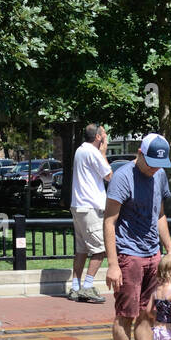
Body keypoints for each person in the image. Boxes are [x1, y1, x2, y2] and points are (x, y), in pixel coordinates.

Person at [104, 132, 171, 340]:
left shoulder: (159, 175)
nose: (156, 168)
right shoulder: (123, 177)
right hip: (128, 255)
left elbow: (160, 215)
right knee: (126, 316)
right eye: (151, 162)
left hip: (152, 254)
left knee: (148, 314)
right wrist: (113, 264)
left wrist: (169, 250)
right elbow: (109, 221)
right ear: (139, 153)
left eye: (160, 163)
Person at [69, 123, 112, 302]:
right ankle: (87, 286)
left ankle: (75, 287)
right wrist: (103, 152)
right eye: (104, 134)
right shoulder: (93, 152)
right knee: (100, 249)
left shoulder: (80, 150)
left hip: (78, 206)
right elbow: (109, 175)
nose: (106, 137)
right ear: (98, 137)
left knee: (81, 250)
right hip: (91, 208)